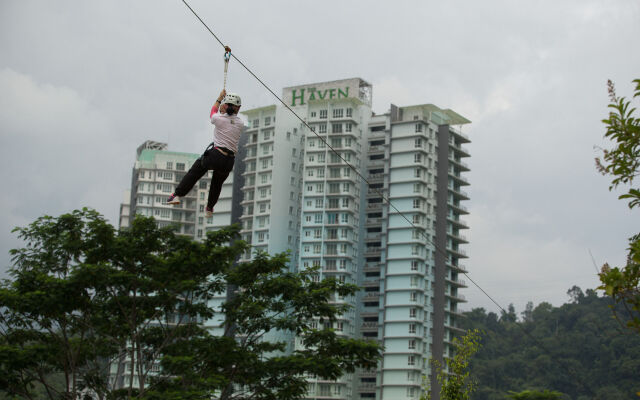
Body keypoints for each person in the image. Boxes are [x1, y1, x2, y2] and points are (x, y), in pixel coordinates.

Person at [167, 88, 244, 217]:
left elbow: (213, 111)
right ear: (238, 108)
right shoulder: (240, 123)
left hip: (216, 155)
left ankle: (177, 195)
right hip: (229, 161)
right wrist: (224, 109)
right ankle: (209, 208)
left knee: (196, 170)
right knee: (217, 183)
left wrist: (219, 98)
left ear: (225, 105)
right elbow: (229, 118)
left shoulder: (218, 119)